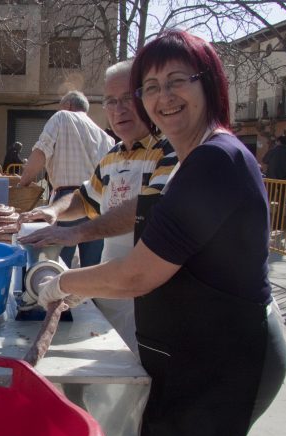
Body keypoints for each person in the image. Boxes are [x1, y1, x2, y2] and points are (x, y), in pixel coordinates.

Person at [34, 29, 286, 436]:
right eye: (150, 86)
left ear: (210, 84)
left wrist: (60, 285)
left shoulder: (217, 159)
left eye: (177, 81)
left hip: (227, 361)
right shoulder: (193, 156)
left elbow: (137, 274)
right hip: (193, 353)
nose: (162, 97)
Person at [19, 60, 178, 355]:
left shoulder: (169, 150)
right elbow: (85, 197)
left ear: (147, 98)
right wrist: (54, 211)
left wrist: (76, 233)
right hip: (111, 289)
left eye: (128, 98)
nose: (119, 109)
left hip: (151, 294)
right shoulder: (113, 154)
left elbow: (144, 209)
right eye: (111, 101)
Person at [19, 90, 114, 268]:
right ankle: (88, 296)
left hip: (68, 202)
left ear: (68, 105)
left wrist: (23, 182)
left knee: (57, 264)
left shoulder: (61, 117)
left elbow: (41, 151)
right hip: (98, 203)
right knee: (92, 268)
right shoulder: (106, 137)